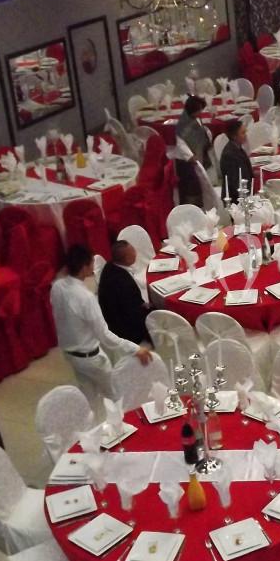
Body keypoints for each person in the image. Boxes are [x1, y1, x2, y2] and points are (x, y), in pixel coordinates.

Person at [51, 244, 154, 413]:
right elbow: (105, 335)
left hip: (71, 354)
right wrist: (136, 349)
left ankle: (95, 427)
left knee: (90, 398)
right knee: (117, 395)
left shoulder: (57, 287)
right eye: (91, 263)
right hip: (91, 357)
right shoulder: (86, 298)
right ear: (84, 267)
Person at [97, 239, 151, 346]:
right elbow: (133, 314)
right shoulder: (123, 283)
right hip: (124, 330)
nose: (136, 253)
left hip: (115, 316)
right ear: (127, 259)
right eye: (133, 252)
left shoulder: (110, 266)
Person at [175, 95, 210, 206]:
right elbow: (180, 142)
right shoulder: (183, 124)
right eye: (199, 110)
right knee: (192, 184)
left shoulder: (195, 118)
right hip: (187, 161)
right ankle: (192, 206)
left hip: (198, 153)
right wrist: (190, 156)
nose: (201, 112)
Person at [219, 118, 254, 203]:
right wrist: (248, 197)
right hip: (236, 199)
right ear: (234, 136)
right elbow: (235, 183)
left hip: (244, 189)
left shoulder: (237, 147)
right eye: (242, 133)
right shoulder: (229, 155)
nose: (246, 135)